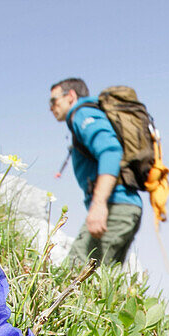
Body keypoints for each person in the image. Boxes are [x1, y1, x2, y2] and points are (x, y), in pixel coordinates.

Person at [48, 78, 142, 266]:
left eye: (54, 100)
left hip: (115, 206)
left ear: (71, 96)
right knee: (103, 282)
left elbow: (110, 151)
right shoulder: (87, 114)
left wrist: (99, 205)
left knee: (73, 276)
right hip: (126, 207)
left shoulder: (82, 113)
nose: (51, 107)